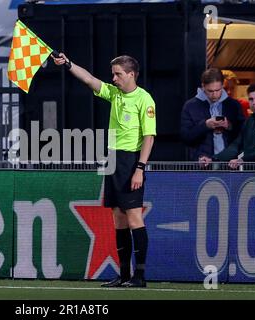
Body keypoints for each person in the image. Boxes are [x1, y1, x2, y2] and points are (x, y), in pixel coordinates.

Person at [52, 53, 156, 288]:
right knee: (118, 218)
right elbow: (89, 79)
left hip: (130, 161)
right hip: (112, 158)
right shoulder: (115, 93)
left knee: (134, 216)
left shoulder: (144, 100)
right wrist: (69, 64)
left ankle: (140, 276)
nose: (114, 78)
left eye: (118, 74)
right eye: (113, 74)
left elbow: (149, 138)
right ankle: (124, 275)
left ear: (131, 74)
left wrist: (140, 168)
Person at [200, 83, 255, 169]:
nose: (254, 103)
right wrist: (213, 159)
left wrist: (242, 160)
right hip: (247, 170)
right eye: (251, 99)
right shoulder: (249, 120)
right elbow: (236, 144)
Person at [180, 68, 245, 161]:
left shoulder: (233, 105)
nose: (214, 95)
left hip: (229, 162)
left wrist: (229, 126)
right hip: (202, 163)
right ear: (203, 86)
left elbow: (244, 135)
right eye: (210, 91)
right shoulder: (190, 106)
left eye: (218, 90)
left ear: (222, 85)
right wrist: (205, 125)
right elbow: (185, 137)